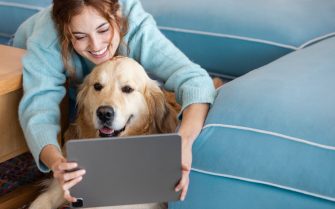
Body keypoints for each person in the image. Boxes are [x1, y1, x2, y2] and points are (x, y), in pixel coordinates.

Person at [13, 0, 216, 204]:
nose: (96, 45)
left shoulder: (135, 24)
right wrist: (56, 163)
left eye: (103, 30)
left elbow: (194, 79)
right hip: (23, 59)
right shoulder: (46, 40)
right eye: (80, 36)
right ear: (67, 32)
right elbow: (39, 110)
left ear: (117, 18)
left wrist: (183, 143)